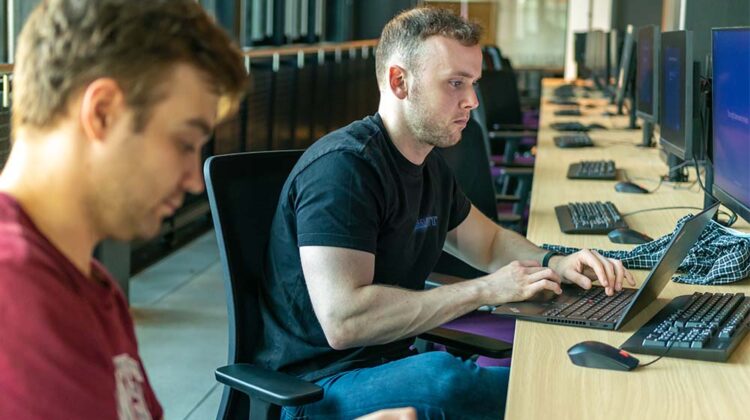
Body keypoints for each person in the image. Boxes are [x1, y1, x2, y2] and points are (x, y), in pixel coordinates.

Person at [255, 6, 636, 420]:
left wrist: (555, 262)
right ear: (400, 81)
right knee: (478, 383)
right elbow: (346, 322)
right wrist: (485, 290)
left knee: (536, 373)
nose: (472, 100)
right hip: (319, 389)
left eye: (472, 83)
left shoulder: (427, 163)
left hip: (391, 362)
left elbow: (488, 243)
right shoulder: (344, 171)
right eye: (455, 83)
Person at [0, 1, 247, 418]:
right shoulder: (15, 287)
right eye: (185, 144)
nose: (192, 179)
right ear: (102, 113)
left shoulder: (91, 285)